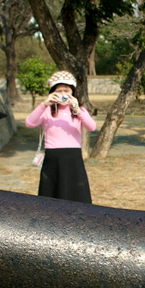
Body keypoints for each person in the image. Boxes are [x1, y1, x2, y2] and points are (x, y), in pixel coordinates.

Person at [25, 71, 96, 204]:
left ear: (73, 92)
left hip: (73, 157)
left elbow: (91, 127)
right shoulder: (47, 110)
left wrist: (77, 109)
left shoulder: (78, 110)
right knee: (52, 193)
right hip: (53, 157)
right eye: (59, 91)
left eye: (67, 90)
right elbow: (29, 123)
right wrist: (44, 104)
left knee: (76, 193)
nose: (63, 94)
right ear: (52, 92)